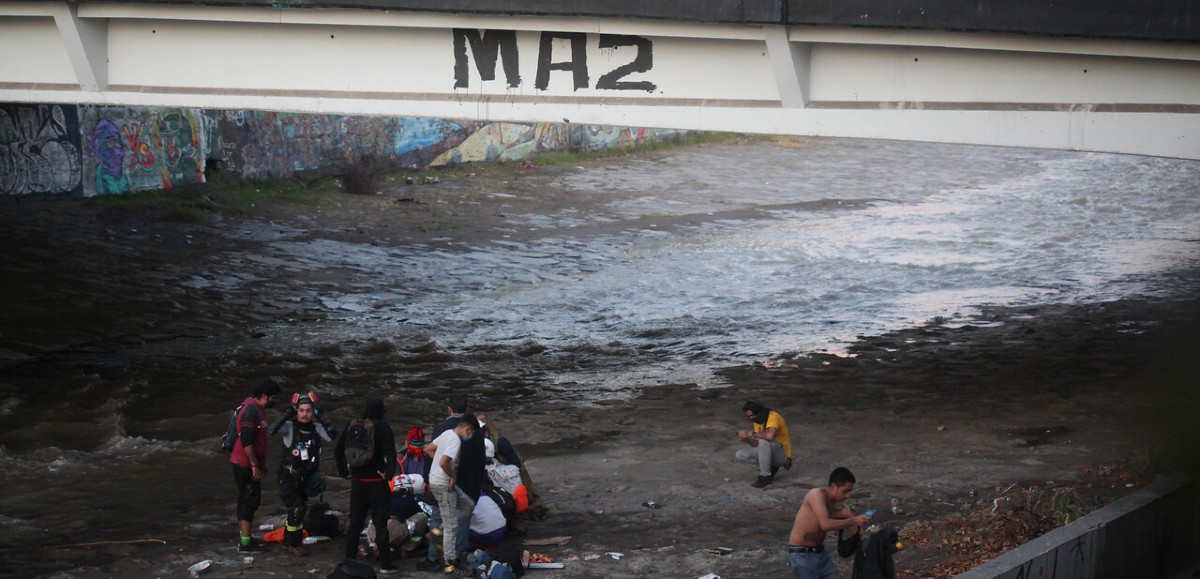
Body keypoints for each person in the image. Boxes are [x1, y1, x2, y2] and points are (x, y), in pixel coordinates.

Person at [268, 390, 336, 556]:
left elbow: (333, 435)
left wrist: (320, 415)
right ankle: (293, 543)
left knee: (300, 509)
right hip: (288, 477)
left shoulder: (317, 428)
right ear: (297, 411)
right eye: (301, 410)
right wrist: (290, 411)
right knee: (297, 508)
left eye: (308, 411)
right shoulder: (290, 428)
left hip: (305, 476)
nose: (305, 414)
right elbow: (272, 429)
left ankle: (289, 538)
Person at [335, 398, 399, 575]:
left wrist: (343, 472)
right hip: (377, 483)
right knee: (380, 524)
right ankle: (386, 564)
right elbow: (391, 454)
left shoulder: (352, 425)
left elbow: (338, 449)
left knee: (355, 522)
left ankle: (350, 558)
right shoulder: (383, 427)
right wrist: (389, 474)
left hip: (357, 483)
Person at [787, 467, 872, 579]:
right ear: (834, 486)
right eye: (845, 491)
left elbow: (857, 532)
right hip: (802, 555)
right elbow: (825, 524)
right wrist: (854, 520)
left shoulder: (841, 508)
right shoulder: (816, 495)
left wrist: (872, 544)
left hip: (821, 553)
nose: (847, 496)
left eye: (849, 491)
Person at [424, 413, 480, 574]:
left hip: (436, 481)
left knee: (467, 505)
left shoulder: (447, 433)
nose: (470, 436)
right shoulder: (455, 441)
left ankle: (437, 532)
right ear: (468, 429)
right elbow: (443, 462)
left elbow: (428, 449)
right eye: (472, 433)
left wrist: (440, 466)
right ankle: (451, 565)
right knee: (452, 527)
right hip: (443, 485)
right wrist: (452, 475)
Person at [229, 380, 281, 552]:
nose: (276, 401)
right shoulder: (251, 410)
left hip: (249, 463)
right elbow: (246, 439)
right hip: (244, 464)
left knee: (245, 498)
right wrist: (254, 465)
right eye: (274, 398)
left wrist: (261, 463)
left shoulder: (259, 409)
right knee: (251, 500)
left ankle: (245, 537)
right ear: (264, 396)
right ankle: (245, 543)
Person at [478, 414, 548, 521]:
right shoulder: (484, 443)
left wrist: (504, 474)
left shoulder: (501, 443)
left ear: (486, 431)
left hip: (510, 474)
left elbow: (517, 464)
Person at [735, 399, 793, 488]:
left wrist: (750, 433)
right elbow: (757, 445)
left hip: (782, 455)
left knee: (764, 440)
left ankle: (765, 476)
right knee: (740, 454)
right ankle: (770, 469)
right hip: (769, 451)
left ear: (759, 412)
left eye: (753, 415)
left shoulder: (773, 416)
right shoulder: (757, 421)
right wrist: (747, 439)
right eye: (749, 416)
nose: (751, 418)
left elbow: (769, 436)